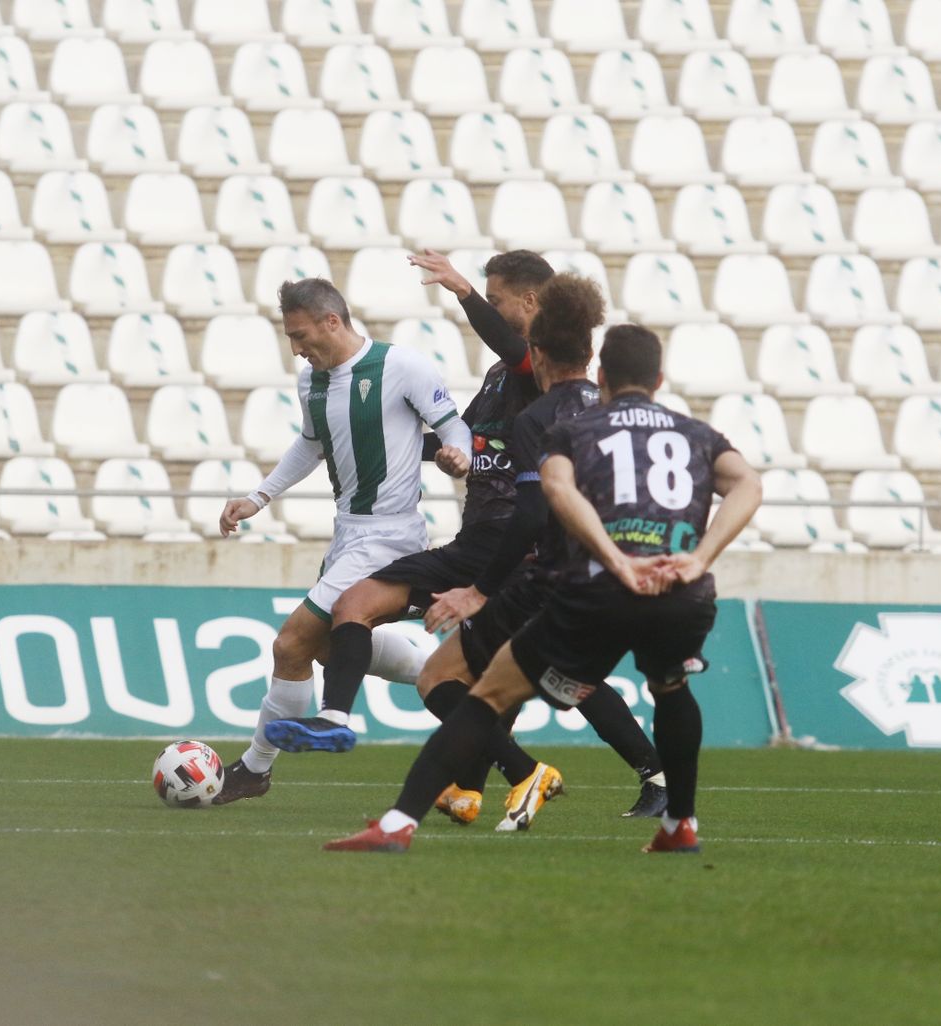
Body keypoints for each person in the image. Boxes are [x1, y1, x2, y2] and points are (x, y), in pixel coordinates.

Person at [323, 324, 762, 854]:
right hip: (682, 595)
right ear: (660, 379)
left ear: (602, 377)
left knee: (481, 694)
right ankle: (679, 826)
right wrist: (699, 558)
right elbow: (749, 484)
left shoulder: (572, 430)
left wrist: (613, 557)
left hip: (595, 592)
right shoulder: (697, 433)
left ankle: (396, 827)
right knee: (670, 687)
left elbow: (551, 492)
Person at [270, 271, 670, 827]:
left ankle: (631, 775)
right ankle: (477, 784)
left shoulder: (543, 383)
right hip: (484, 543)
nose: (493, 312)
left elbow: (516, 366)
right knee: (466, 673)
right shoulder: (502, 380)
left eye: (499, 300)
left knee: (527, 675)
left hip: (512, 552)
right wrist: (425, 442)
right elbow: (472, 436)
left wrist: (462, 292)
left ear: (534, 311)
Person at [213, 278, 472, 804]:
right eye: (290, 337)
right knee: (331, 649)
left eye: (301, 334)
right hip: (349, 532)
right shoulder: (312, 380)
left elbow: (455, 428)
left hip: (391, 533)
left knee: (291, 644)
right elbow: (311, 444)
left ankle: (256, 767)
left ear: (333, 321)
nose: (296, 347)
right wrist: (258, 497)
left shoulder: (402, 366)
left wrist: (458, 457)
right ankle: (456, 687)